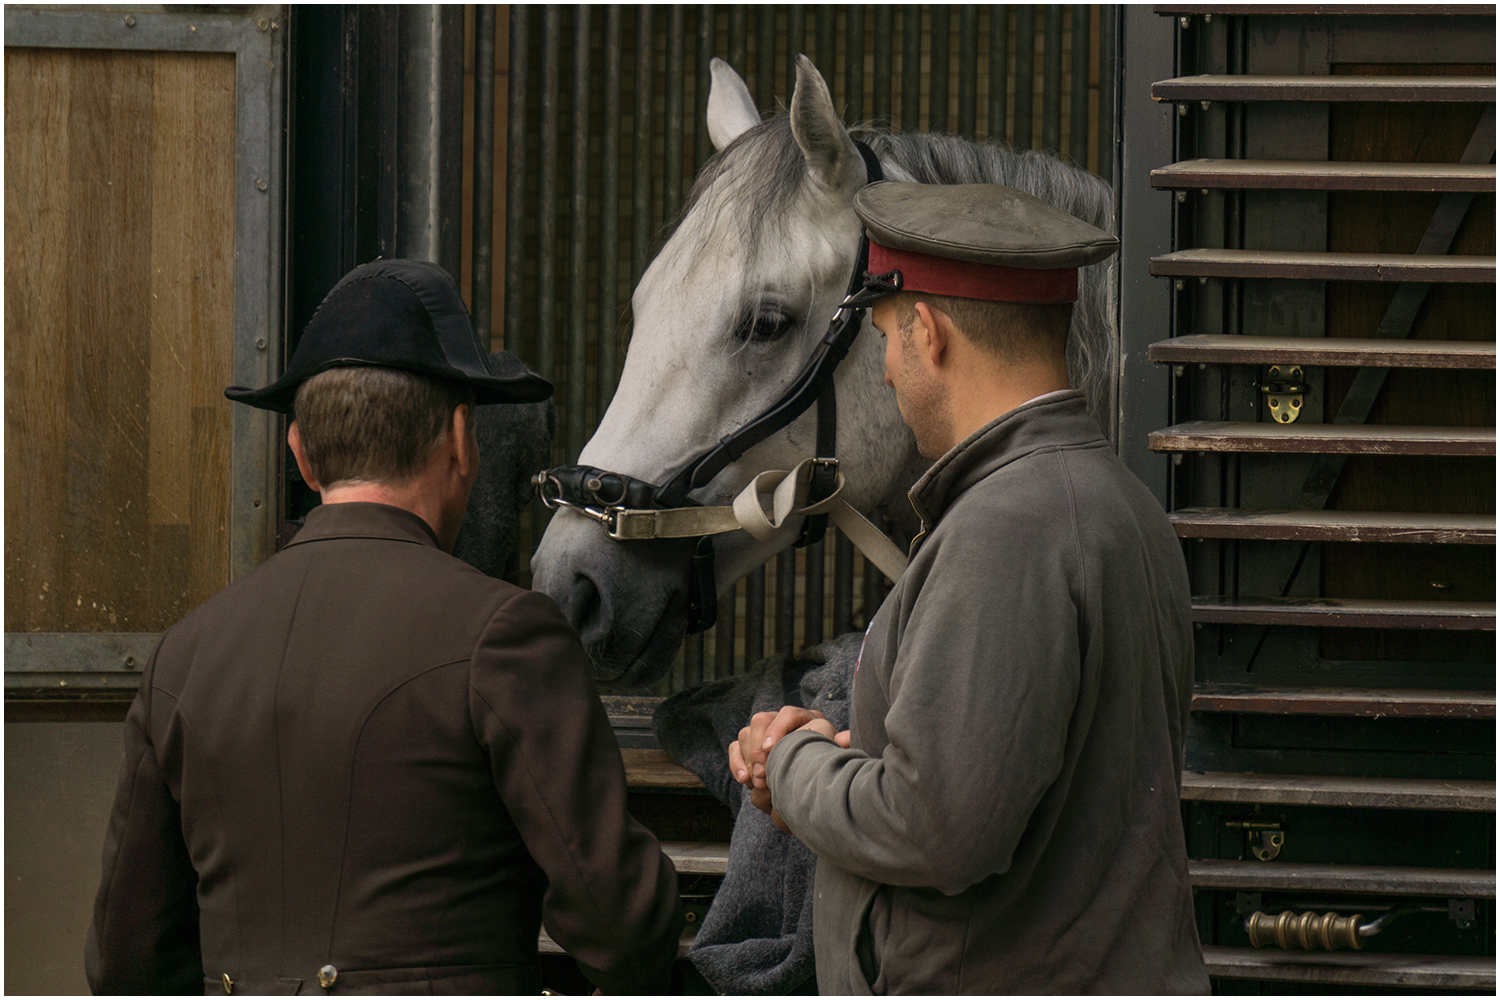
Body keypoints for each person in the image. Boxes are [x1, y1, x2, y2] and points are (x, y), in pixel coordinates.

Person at [86, 259, 683, 995]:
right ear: (464, 441)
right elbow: (621, 924)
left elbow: (126, 960)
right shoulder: (506, 635)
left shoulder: (185, 655)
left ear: (300, 452)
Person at [729, 183, 1210, 994]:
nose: (884, 369)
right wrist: (852, 764)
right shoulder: (1115, 501)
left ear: (928, 331)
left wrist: (789, 765)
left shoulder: (1006, 527)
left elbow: (936, 829)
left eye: (884, 337)